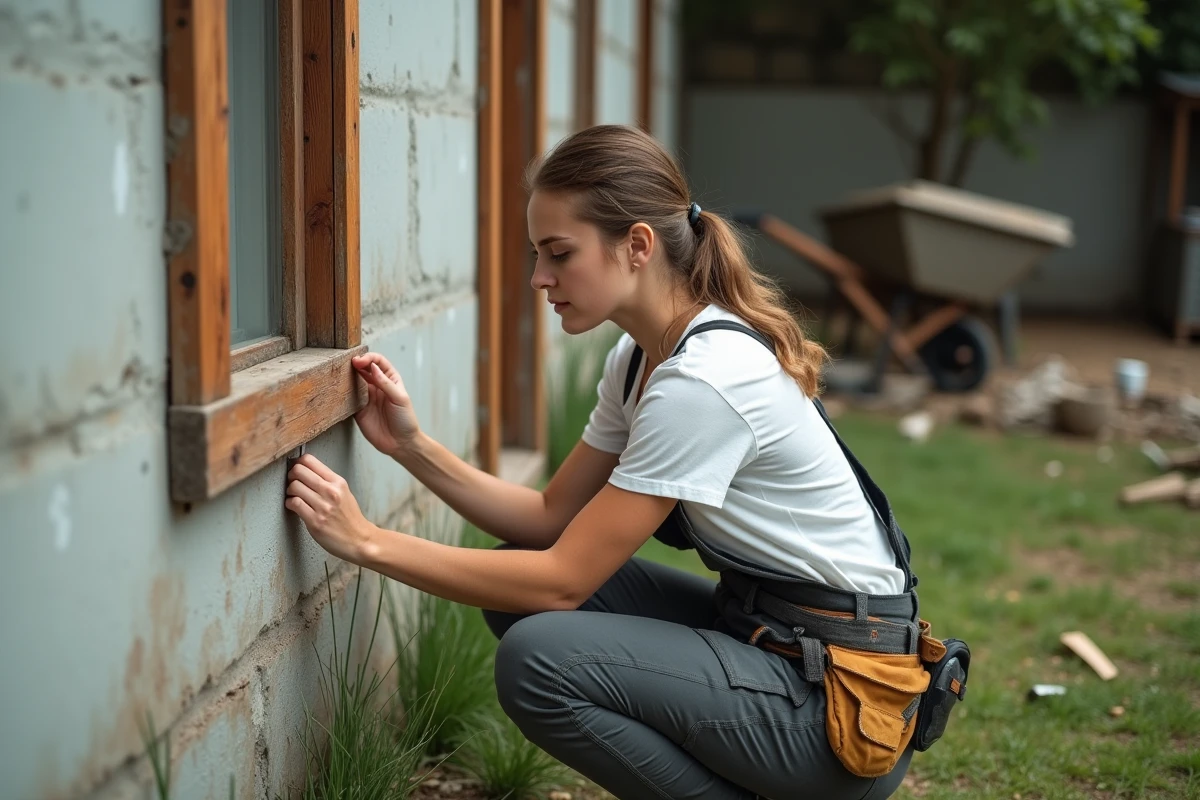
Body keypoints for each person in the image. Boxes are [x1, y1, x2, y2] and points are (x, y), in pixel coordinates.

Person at [284, 124, 919, 799]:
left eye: (559, 253)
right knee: (518, 590)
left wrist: (368, 543)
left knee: (540, 658)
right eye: (537, 254)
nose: (539, 277)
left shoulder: (705, 381)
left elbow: (559, 580)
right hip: (770, 642)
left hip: (837, 710)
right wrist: (411, 445)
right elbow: (549, 518)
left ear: (638, 246)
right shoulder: (641, 359)